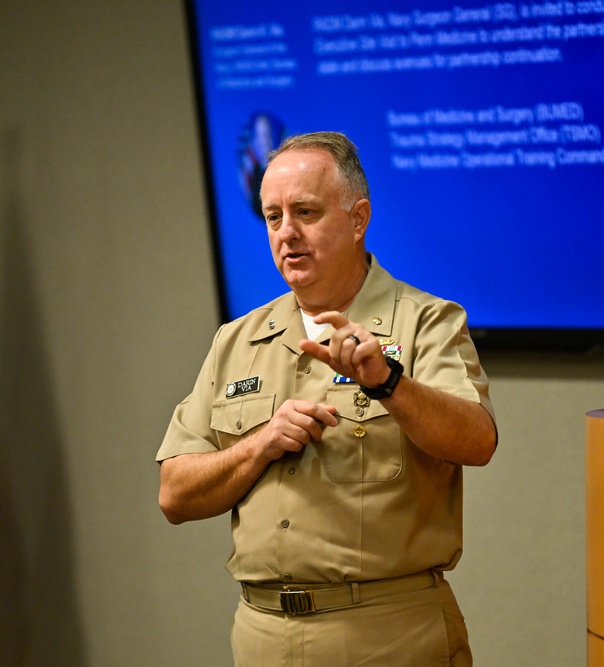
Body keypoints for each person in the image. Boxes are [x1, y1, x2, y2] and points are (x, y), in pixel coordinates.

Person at [157, 131, 497, 666]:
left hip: (386, 636)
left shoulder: (426, 321)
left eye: (306, 213)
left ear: (358, 219)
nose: (286, 234)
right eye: (273, 217)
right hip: (262, 635)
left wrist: (390, 383)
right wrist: (260, 444)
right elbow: (174, 494)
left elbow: (477, 441)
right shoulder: (236, 340)